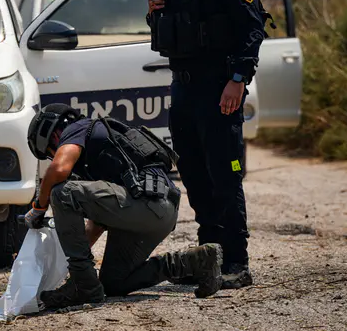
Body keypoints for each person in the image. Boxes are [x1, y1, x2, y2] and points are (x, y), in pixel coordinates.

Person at [147, 0, 272, 289]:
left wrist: (238, 79)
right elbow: (168, 31)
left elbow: (253, 31)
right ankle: (209, 254)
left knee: (225, 174)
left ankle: (237, 261)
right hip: (183, 89)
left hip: (219, 89)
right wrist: (153, 13)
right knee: (194, 175)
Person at [24, 103, 223, 310]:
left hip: (148, 206)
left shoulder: (77, 129)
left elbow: (58, 169)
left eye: (50, 151)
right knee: (114, 282)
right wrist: (68, 262)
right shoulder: (97, 154)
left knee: (62, 192)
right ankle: (196, 261)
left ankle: (83, 287)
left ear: (51, 134)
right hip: (156, 212)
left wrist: (38, 208)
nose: (54, 155)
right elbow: (95, 226)